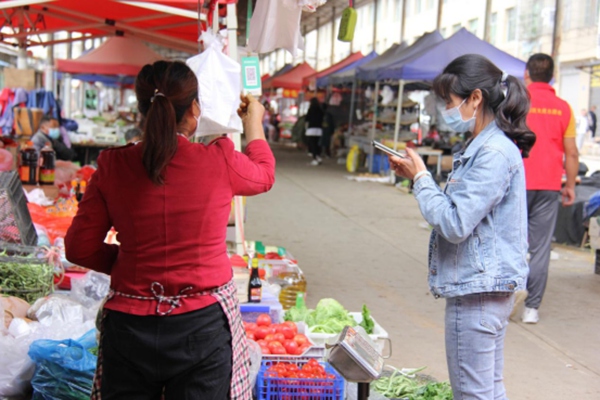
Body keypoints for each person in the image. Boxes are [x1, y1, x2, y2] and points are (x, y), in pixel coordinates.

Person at [65, 60, 275, 400]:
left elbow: (78, 248)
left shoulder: (113, 164)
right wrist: (253, 123)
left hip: (129, 328)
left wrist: (132, 263)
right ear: (194, 109)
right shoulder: (218, 158)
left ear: (140, 110)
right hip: (202, 326)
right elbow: (264, 174)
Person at [389, 54, 535, 399]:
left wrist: (422, 178)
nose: (446, 109)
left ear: (475, 98)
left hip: (476, 293)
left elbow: (455, 224)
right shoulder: (486, 147)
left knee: (472, 393)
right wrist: (419, 180)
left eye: (449, 101)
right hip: (485, 289)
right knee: (488, 391)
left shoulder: (493, 153)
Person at [521, 53, 578, 324]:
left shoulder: (517, 102)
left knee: (511, 241)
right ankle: (531, 308)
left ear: (526, 74)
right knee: (541, 247)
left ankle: (505, 297)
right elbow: (572, 153)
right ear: (552, 76)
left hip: (517, 182)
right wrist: (569, 185)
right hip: (549, 185)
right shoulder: (564, 108)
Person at [305, 97, 324, 165]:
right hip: (319, 129)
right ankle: (318, 156)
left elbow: (307, 119)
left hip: (311, 129)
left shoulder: (311, 109)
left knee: (312, 144)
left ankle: (315, 157)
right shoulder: (320, 110)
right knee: (317, 143)